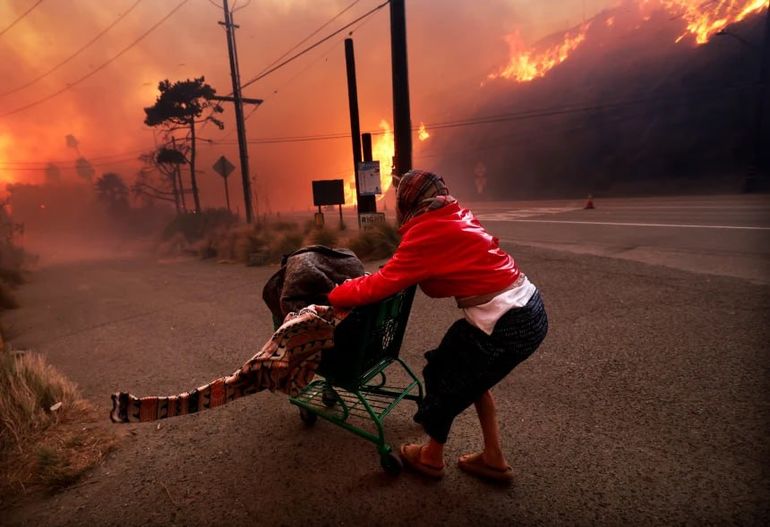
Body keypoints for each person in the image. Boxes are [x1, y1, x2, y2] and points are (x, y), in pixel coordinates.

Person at [328, 170, 548, 482]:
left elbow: (379, 285)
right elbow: (443, 281)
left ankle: (431, 457)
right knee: (473, 375)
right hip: (530, 307)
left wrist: (336, 292)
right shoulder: (455, 215)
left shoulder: (425, 233)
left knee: (443, 372)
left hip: (506, 321)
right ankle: (493, 458)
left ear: (409, 201)